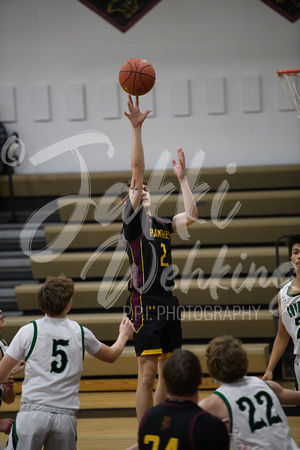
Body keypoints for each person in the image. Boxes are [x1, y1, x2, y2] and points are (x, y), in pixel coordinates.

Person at [121, 95, 198, 423]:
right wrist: (137, 130)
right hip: (144, 302)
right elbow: (137, 168)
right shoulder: (133, 222)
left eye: (145, 188)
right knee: (147, 374)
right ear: (132, 196)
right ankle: (144, 435)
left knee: (168, 374)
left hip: (167, 301)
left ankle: (163, 427)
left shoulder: (163, 223)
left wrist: (183, 180)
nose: (142, 190)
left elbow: (192, 216)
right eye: (137, 189)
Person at [0, 274, 134, 450]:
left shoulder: (28, 330)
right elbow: (112, 356)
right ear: (68, 304)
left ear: (41, 304)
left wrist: (10, 373)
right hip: (65, 417)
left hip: (33, 414)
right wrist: (123, 335)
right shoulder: (80, 332)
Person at [199, 335, 300, 450]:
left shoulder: (213, 403)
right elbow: (297, 398)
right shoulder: (268, 385)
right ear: (245, 360)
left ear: (211, 369)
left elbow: (186, 427)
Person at [127, 349, 229, 450]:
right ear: (200, 381)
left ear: (163, 381)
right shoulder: (212, 426)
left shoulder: (149, 418)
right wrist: (219, 433)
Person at [263, 234, 300, 389]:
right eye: (296, 252)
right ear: (291, 259)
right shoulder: (283, 294)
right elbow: (282, 336)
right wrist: (269, 369)